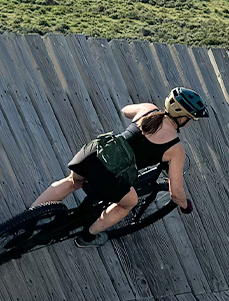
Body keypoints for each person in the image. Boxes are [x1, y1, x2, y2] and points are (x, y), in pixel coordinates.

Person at [33, 87, 208, 247]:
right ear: (183, 117)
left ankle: (30, 216)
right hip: (111, 176)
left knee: (72, 181)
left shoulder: (148, 109)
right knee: (128, 204)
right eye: (191, 119)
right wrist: (185, 206)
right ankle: (87, 238)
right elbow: (176, 192)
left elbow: (125, 110)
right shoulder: (175, 148)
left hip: (95, 154)